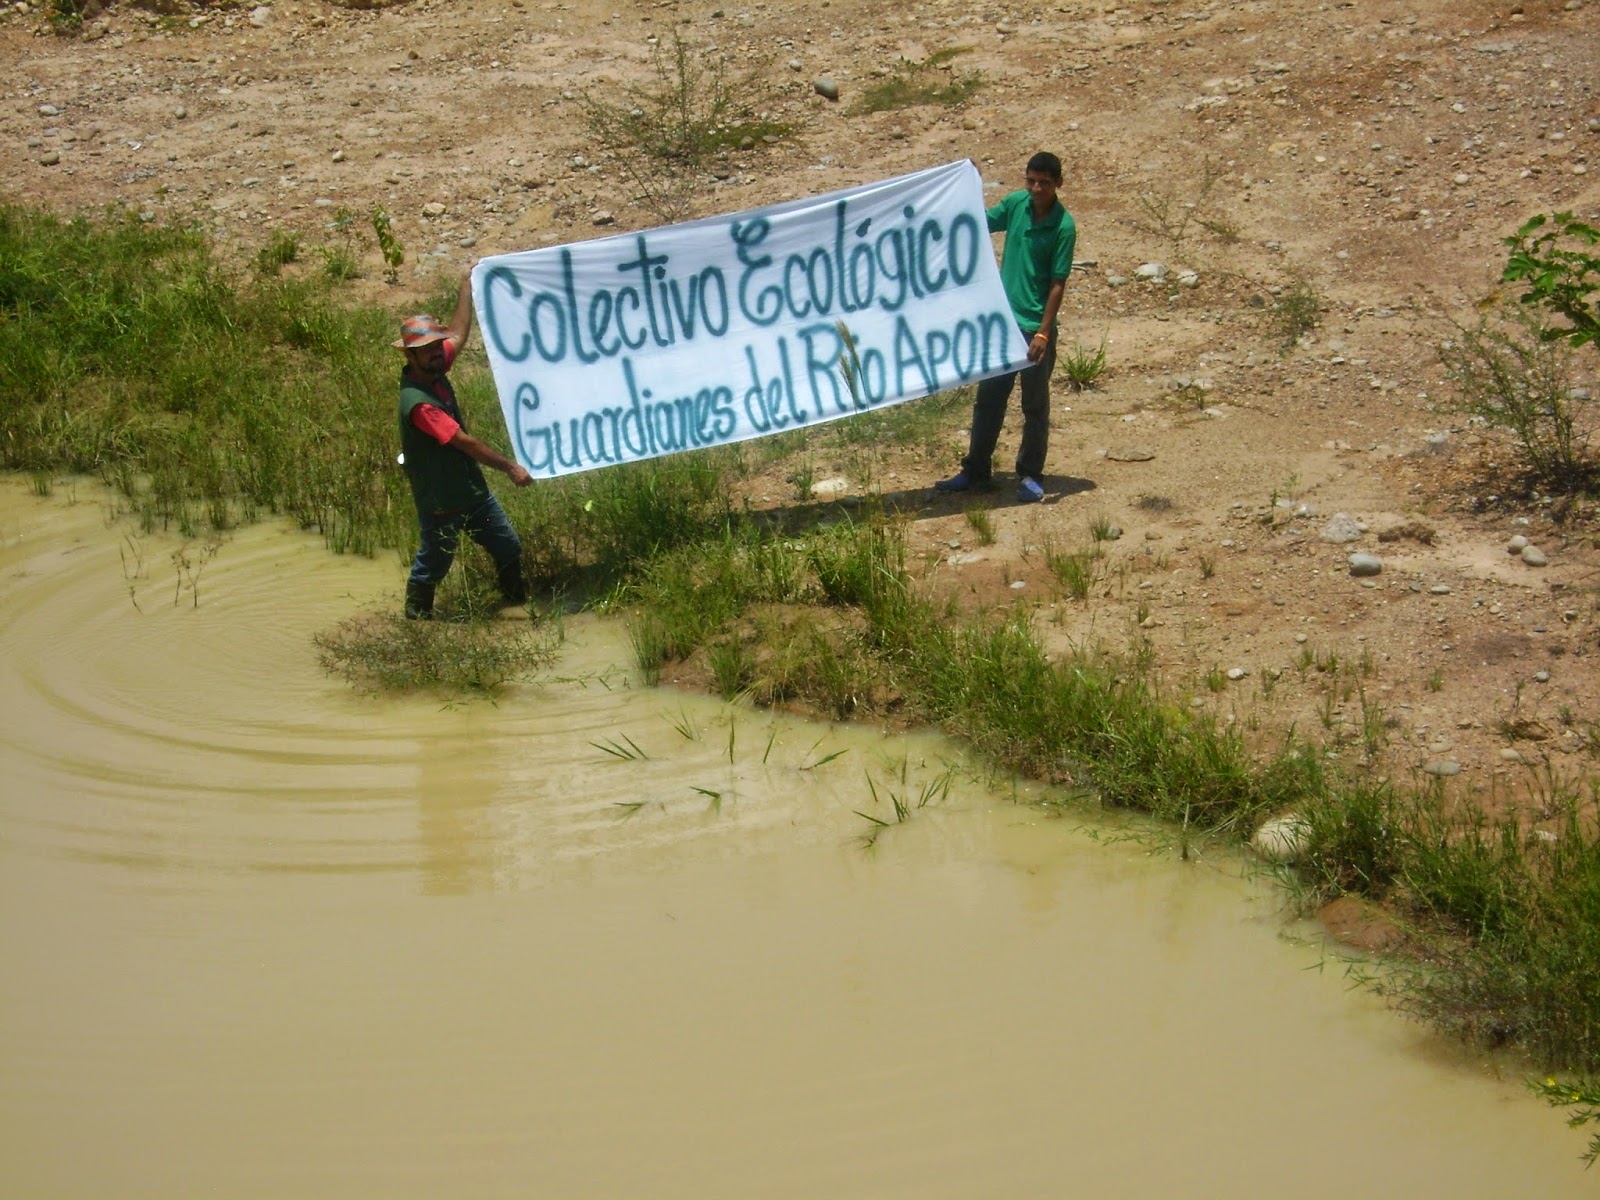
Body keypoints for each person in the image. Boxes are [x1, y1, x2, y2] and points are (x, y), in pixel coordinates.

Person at [934, 151, 1076, 504]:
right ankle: (975, 471)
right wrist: (967, 186)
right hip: (1002, 323)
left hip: (1033, 329)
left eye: (1044, 182)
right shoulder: (1016, 205)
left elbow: (1058, 284)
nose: (1037, 188)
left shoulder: (1063, 226)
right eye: (1031, 181)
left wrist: (1043, 333)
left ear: (1059, 183)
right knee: (989, 401)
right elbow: (979, 222)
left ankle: (1030, 474)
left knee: (1034, 406)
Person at [395, 272, 533, 619]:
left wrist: (465, 287)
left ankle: (514, 605)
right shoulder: (419, 403)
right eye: (425, 352)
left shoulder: (435, 370)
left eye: (434, 348)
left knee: (508, 547)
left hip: (471, 491)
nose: (434, 354)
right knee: (434, 564)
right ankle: (417, 620)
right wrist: (510, 467)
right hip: (441, 501)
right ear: (410, 358)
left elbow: (457, 333)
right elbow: (464, 442)